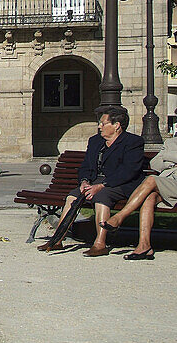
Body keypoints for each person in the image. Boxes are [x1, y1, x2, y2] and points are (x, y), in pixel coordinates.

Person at [102, 104, 177, 260]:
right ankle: (144, 246)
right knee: (149, 197)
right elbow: (156, 163)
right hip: (169, 183)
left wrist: (169, 156)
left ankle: (120, 217)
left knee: (151, 179)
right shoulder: (173, 142)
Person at [38, 107, 144, 255]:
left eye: (103, 123)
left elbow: (128, 171)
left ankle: (100, 244)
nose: (99, 126)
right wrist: (84, 182)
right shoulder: (95, 141)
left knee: (101, 196)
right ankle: (57, 240)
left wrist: (101, 186)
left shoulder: (133, 142)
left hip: (120, 184)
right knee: (72, 197)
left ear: (117, 125)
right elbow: (86, 166)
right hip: (95, 182)